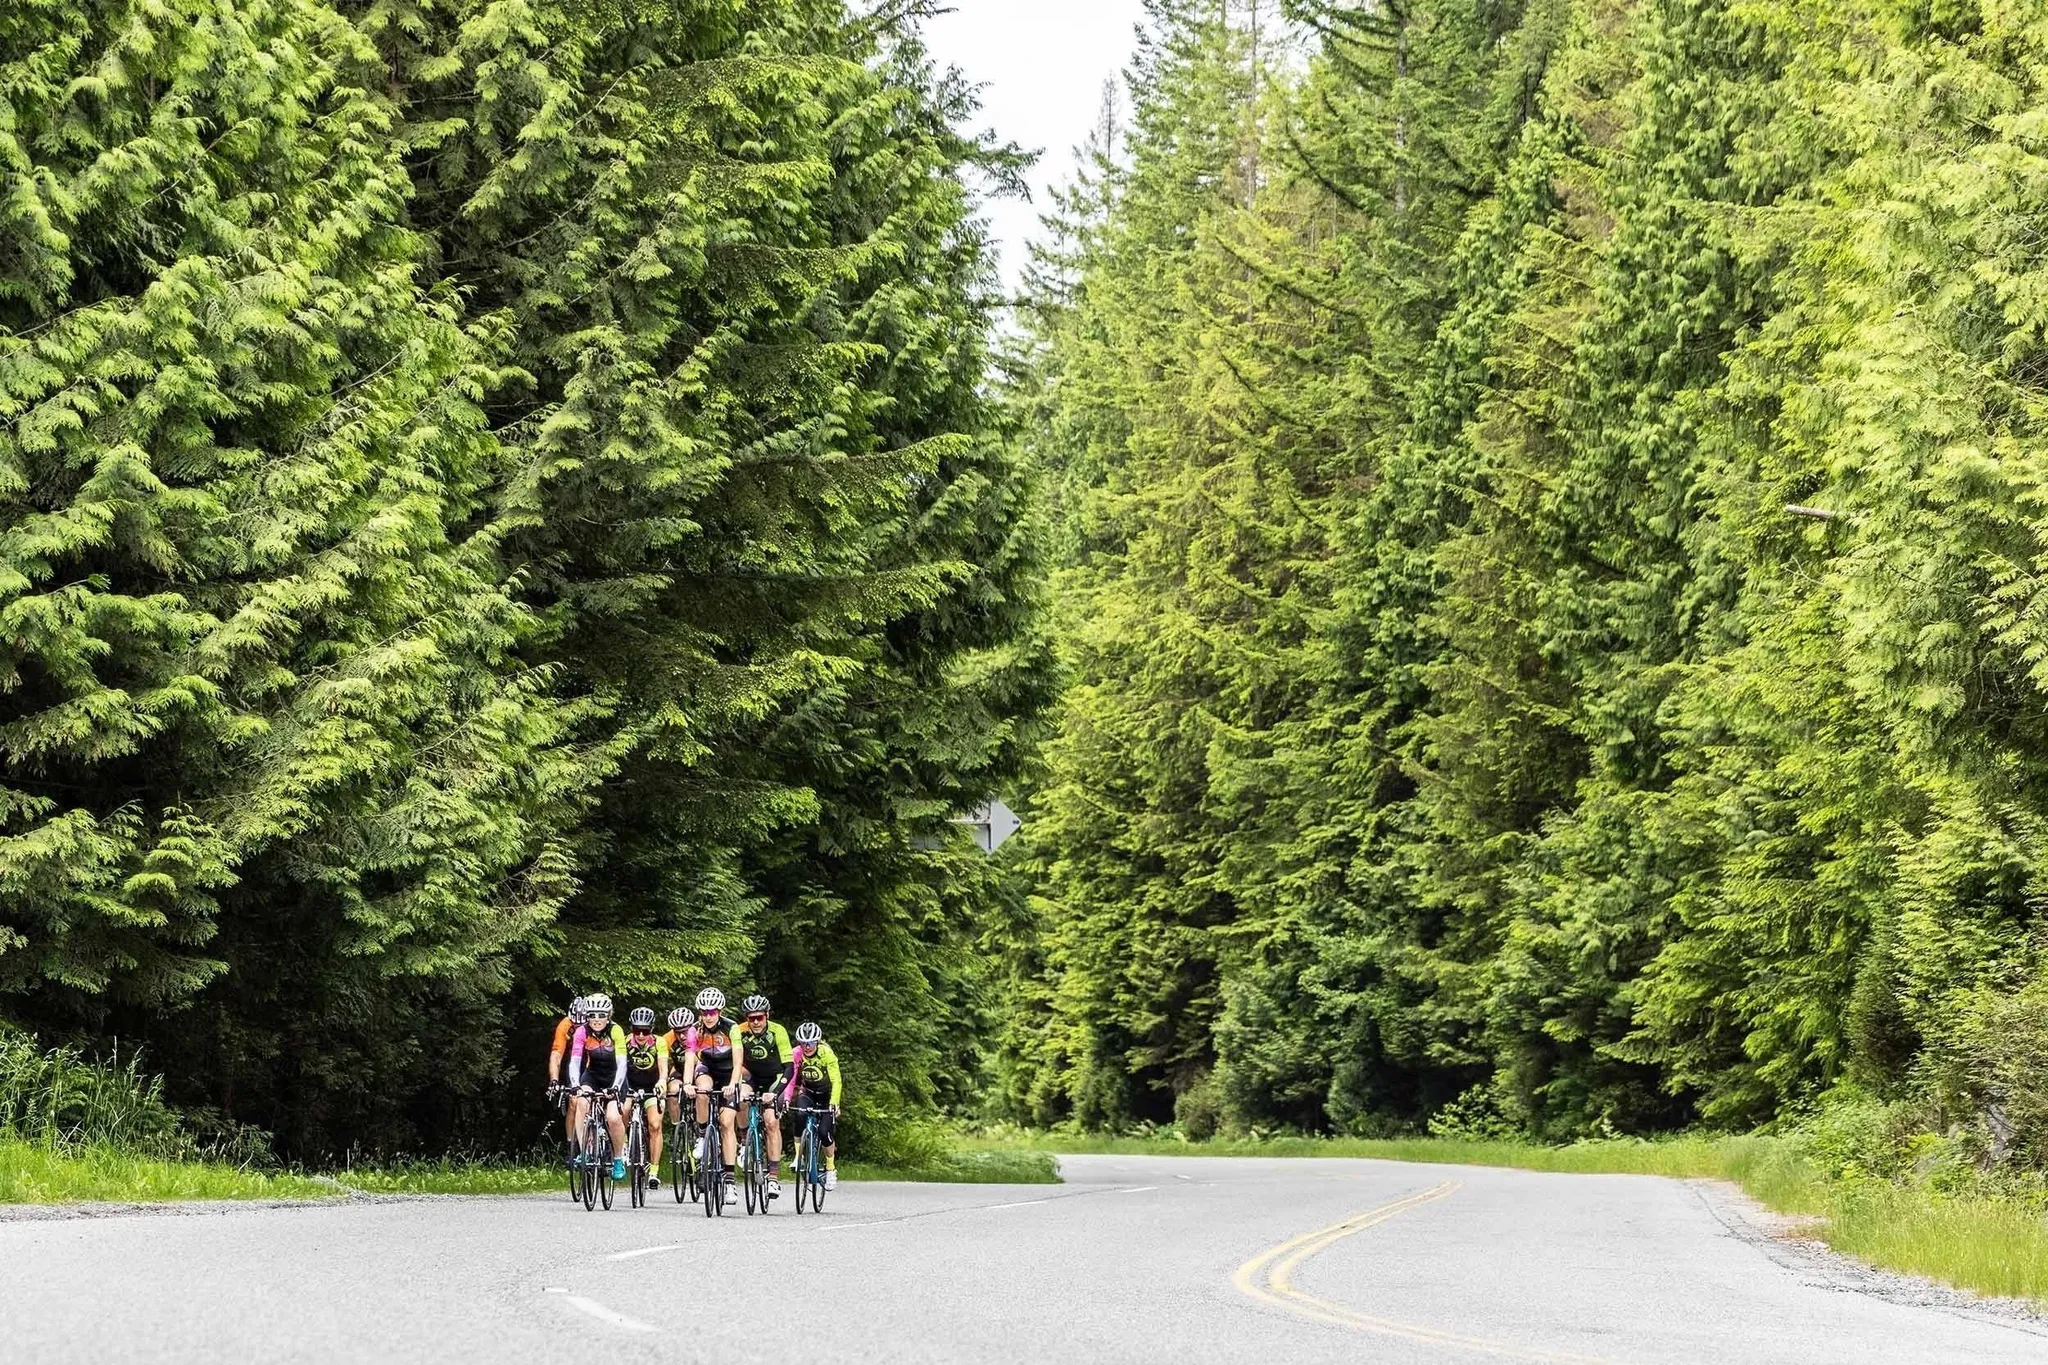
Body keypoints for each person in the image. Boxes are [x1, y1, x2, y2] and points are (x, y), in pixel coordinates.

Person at [681, 986, 745, 1203]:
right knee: (702, 1091)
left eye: (712, 1012)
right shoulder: (694, 1030)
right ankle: (701, 1136)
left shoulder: (732, 1028)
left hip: (729, 1073)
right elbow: (690, 1058)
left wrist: (733, 1084)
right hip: (707, 1069)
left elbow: (738, 1062)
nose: (708, 1016)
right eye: (704, 1012)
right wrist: (687, 1083)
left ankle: (729, 1182)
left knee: (727, 1123)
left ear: (720, 1011)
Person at [567, 993, 630, 1183]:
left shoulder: (615, 1031)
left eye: (601, 1015)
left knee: (612, 1117)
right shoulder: (582, 1032)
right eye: (592, 1015)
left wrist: (616, 1087)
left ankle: (618, 1158)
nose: (596, 1020)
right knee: (581, 1102)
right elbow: (575, 1061)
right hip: (592, 1075)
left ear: (608, 1015)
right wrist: (575, 1085)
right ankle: (585, 1150)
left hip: (614, 1077)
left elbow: (622, 1063)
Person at [737, 993, 791, 1201]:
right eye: (751, 1018)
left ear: (767, 1015)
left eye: (760, 1017)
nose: (756, 1022)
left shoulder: (778, 1032)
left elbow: (789, 1068)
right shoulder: (740, 1032)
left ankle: (774, 1177)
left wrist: (776, 1093)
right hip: (751, 1077)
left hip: (775, 1079)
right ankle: (744, 1140)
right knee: (740, 1098)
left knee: (770, 1122)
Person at [782, 1020, 841, 1191]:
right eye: (803, 1043)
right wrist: (786, 1098)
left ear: (818, 1041)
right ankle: (798, 1156)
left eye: (811, 1043)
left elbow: (836, 1080)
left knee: (824, 1131)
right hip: (807, 1092)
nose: (807, 1046)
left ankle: (830, 1168)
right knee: (799, 1114)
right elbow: (791, 1078)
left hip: (826, 1095)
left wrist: (834, 1103)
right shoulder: (796, 1053)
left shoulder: (826, 1053)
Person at [622, 1007, 669, 1190]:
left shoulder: (659, 1042)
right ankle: (625, 1146)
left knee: (655, 1125)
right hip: (630, 1086)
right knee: (623, 1110)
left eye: (645, 1031)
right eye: (636, 1030)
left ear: (652, 1029)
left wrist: (662, 1082)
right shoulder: (625, 1042)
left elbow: (663, 1068)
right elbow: (619, 1068)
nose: (641, 1035)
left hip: (652, 1086)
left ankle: (654, 1171)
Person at [547, 996, 590, 1160]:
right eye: (575, 1025)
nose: (578, 1028)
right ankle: (572, 1147)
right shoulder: (565, 1025)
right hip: (575, 1062)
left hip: (594, 1062)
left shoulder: (597, 1026)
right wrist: (554, 1080)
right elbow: (556, 1055)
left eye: (581, 1025)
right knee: (573, 1101)